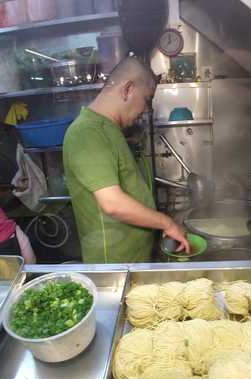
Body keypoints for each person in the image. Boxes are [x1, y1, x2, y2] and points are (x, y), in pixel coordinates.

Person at [63, 56, 189, 264]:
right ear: (128, 89)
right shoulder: (86, 133)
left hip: (133, 259)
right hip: (114, 265)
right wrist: (166, 223)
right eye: (147, 100)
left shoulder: (109, 130)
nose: (145, 110)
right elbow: (113, 204)